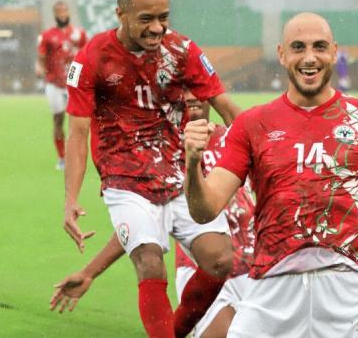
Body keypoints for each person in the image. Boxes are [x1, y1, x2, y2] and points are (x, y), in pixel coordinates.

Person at [183, 12, 358, 338]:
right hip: (272, 288)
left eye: (319, 47)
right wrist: (192, 166)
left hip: (350, 289)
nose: (309, 58)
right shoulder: (252, 125)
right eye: (298, 47)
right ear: (281, 54)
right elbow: (205, 209)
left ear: (334, 52)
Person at [63, 0, 242, 338]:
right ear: (121, 15)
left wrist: (270, 155)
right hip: (124, 180)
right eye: (146, 19)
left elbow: (226, 108)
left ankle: (175, 331)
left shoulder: (183, 50)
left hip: (180, 177)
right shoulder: (91, 59)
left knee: (221, 260)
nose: (157, 28)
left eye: (163, 17)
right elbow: (78, 134)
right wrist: (71, 199)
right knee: (149, 262)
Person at [51, 91, 256, 338]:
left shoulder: (234, 139)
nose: (190, 97)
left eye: (195, 89)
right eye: (183, 90)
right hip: (202, 272)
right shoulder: (158, 153)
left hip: (256, 270)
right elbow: (140, 228)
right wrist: (89, 272)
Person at [36, 1, 87, 170]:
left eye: (64, 12)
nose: (62, 15)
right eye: (59, 13)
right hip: (54, 82)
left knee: (78, 121)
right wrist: (40, 68)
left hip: (73, 81)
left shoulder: (78, 34)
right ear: (55, 15)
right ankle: (61, 157)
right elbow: (41, 58)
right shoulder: (47, 35)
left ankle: (76, 155)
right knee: (58, 120)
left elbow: (87, 54)